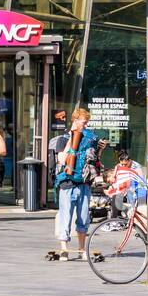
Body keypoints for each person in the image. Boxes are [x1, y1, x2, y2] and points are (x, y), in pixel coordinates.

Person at [48, 107, 97, 261]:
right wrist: (72, 136)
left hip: (83, 183)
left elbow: (92, 161)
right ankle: (64, 249)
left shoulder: (89, 138)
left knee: (83, 217)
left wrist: (99, 151)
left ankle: (82, 249)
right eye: (84, 122)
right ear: (75, 121)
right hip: (67, 183)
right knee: (65, 216)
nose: (86, 125)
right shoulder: (63, 139)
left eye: (87, 122)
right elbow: (62, 160)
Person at [101, 143, 148, 219]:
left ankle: (135, 218)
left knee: (134, 201)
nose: (123, 166)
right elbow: (115, 176)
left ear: (129, 161)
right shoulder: (119, 165)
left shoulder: (136, 167)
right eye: (121, 164)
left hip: (137, 187)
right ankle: (126, 218)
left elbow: (140, 180)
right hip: (127, 188)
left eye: (125, 164)